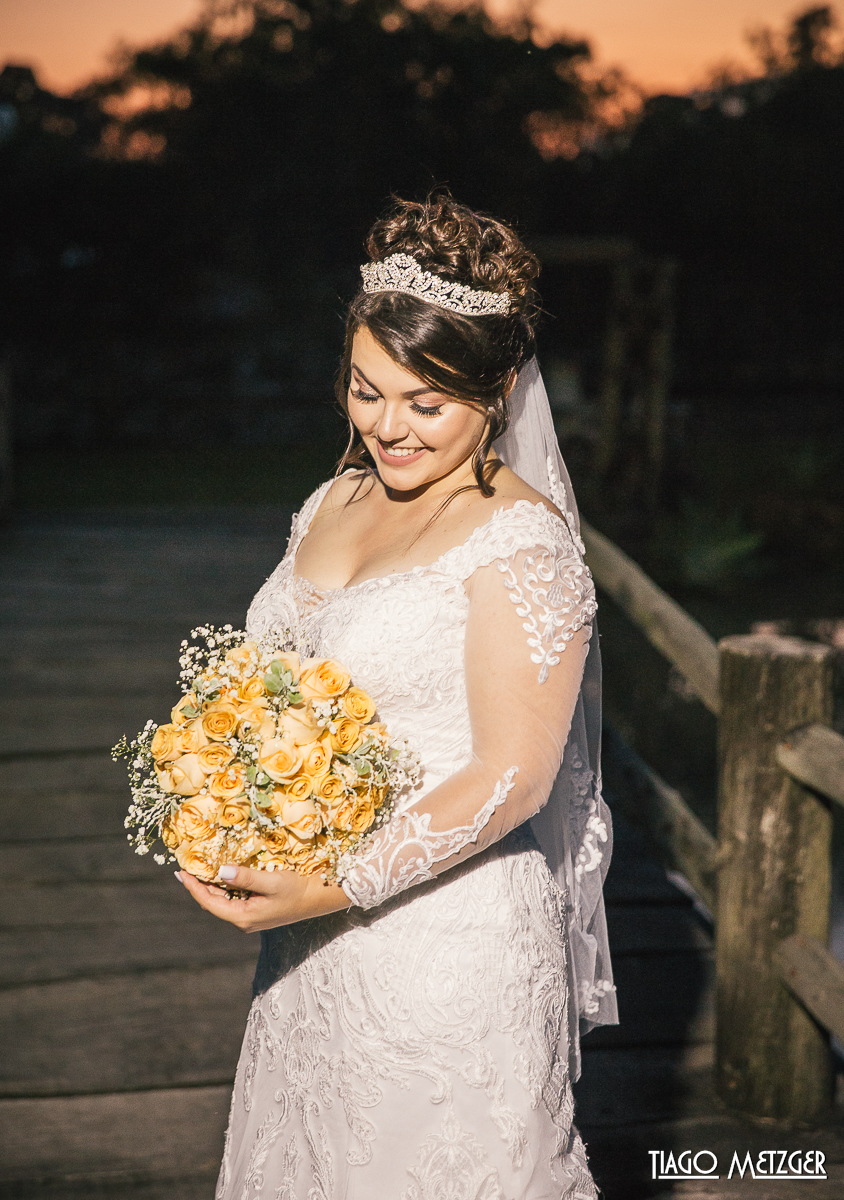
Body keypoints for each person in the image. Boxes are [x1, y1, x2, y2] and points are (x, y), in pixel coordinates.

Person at [177, 194, 617, 1199]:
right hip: (307, 957)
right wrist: (221, 812)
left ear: (500, 387)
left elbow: (512, 774)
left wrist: (332, 884)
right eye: (367, 391)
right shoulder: (336, 498)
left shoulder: (520, 542)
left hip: (445, 955)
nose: (388, 427)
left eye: (427, 403)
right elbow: (277, 686)